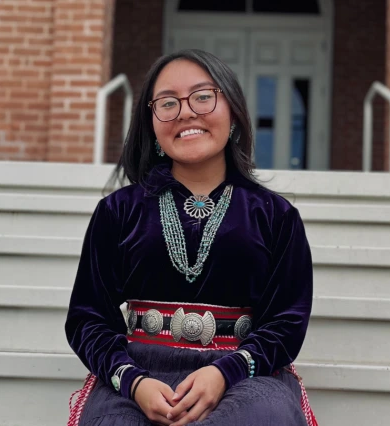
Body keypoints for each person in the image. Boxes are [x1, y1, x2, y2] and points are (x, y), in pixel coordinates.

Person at [65, 49, 314, 426]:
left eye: (202, 96)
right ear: (151, 125)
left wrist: (225, 372)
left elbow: (286, 322)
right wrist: (132, 380)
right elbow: (88, 318)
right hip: (137, 374)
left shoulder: (275, 216)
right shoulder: (118, 211)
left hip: (243, 374)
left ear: (232, 113)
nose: (185, 112)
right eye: (167, 102)